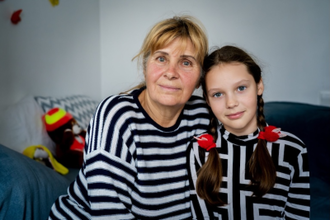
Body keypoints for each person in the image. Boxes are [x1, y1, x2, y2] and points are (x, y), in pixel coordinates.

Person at [49, 15, 210, 219]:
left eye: (186, 62)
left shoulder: (203, 116)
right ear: (145, 68)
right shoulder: (117, 115)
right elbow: (109, 213)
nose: (171, 72)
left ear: (199, 79)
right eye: (161, 58)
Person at [187, 45, 310, 219]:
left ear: (259, 85)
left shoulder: (293, 149)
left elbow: (298, 214)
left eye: (241, 88)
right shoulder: (199, 150)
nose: (231, 103)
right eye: (217, 94)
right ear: (207, 100)